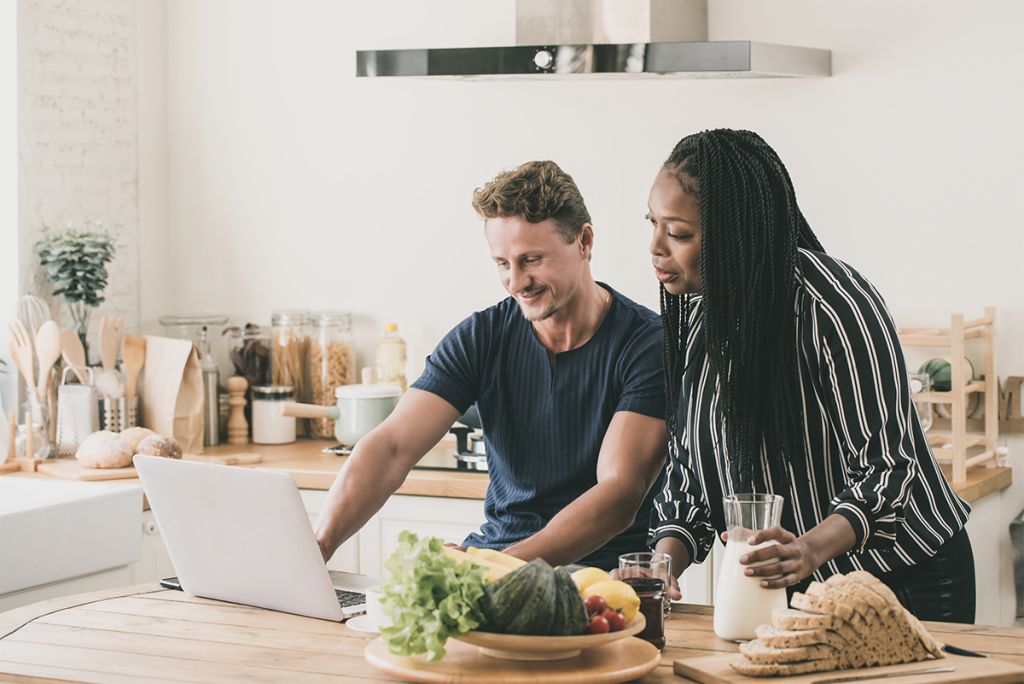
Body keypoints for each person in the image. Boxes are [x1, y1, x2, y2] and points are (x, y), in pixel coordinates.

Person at [644, 129, 975, 623]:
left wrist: (807, 550)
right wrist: (661, 566)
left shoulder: (833, 305)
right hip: (803, 586)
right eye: (651, 224)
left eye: (679, 233)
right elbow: (689, 476)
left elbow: (889, 469)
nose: (655, 247)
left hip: (902, 577)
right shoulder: (699, 320)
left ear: (736, 232)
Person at [315, 160, 667, 570]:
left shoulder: (647, 344)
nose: (516, 282)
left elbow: (619, 492)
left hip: (601, 575)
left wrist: (490, 569)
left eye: (532, 259)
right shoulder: (482, 337)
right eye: (503, 263)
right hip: (497, 557)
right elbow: (392, 447)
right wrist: (318, 546)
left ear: (584, 241)